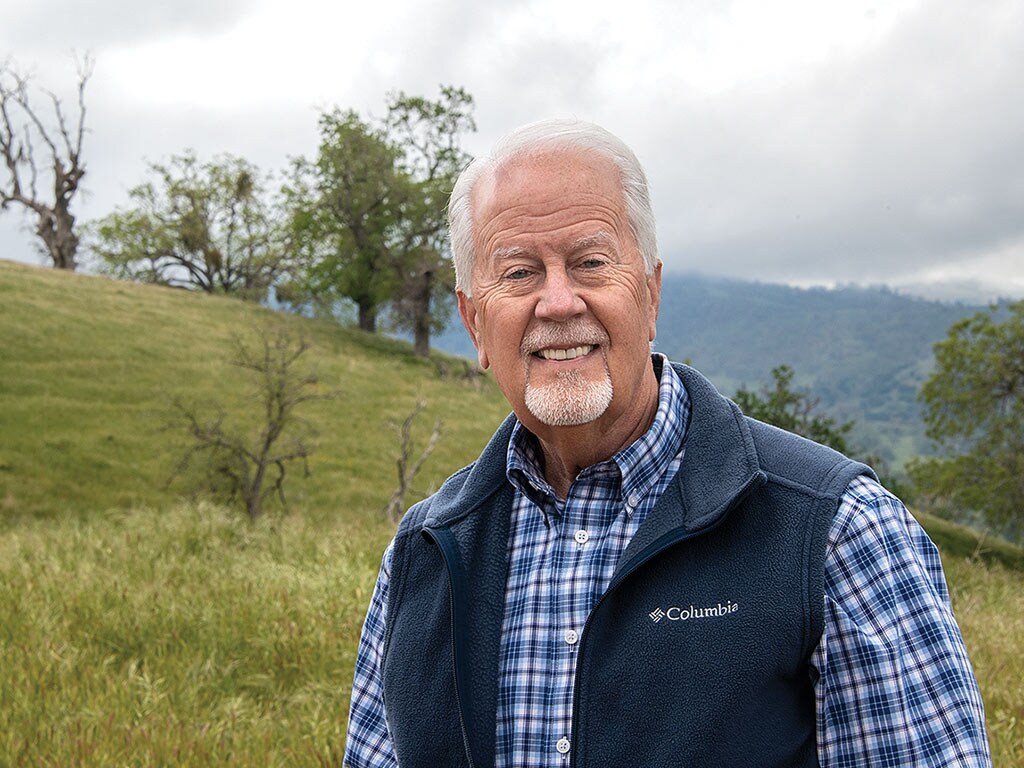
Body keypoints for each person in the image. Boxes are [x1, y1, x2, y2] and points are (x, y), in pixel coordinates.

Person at [344, 119, 991, 767]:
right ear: (474, 321)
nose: (559, 301)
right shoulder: (422, 554)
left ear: (650, 294)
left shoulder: (835, 530)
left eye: (591, 263)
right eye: (519, 273)